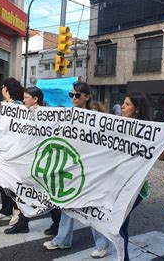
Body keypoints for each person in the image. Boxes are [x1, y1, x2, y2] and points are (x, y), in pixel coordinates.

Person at [43, 82, 110, 259]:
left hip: (92, 169)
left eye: (77, 95)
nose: (73, 98)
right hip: (73, 167)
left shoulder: (97, 118)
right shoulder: (68, 114)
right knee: (67, 202)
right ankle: (62, 239)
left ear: (87, 97)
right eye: (71, 95)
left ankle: (102, 244)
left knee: (91, 206)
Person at [3, 86, 44, 234]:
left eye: (27, 98)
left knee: (42, 192)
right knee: (22, 191)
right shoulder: (25, 112)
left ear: (35, 99)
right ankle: (23, 222)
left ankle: (56, 222)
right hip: (24, 159)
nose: (24, 100)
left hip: (35, 160)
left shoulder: (43, 115)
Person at [119, 92, 152, 260]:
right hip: (117, 184)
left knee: (119, 224)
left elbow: (160, 157)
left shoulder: (148, 130)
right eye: (123, 104)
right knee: (120, 224)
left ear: (137, 109)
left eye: (127, 104)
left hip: (135, 187)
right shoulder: (117, 126)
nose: (122, 107)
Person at [0, 78, 24, 225]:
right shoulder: (6, 106)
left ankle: (17, 209)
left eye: (3, 87)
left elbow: (13, 132)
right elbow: (0, 131)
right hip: (0, 151)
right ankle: (6, 209)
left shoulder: (16, 108)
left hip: (11, 151)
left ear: (7, 89)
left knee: (9, 182)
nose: (1, 89)